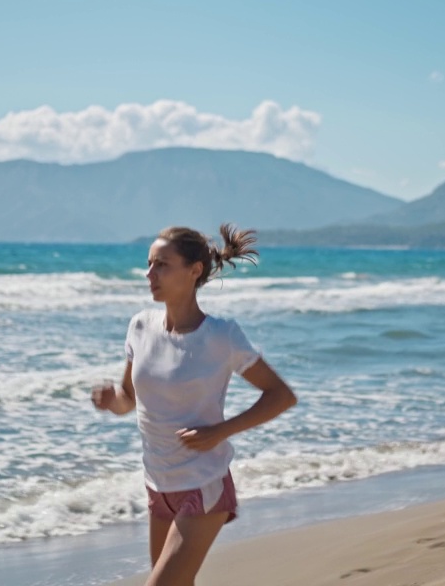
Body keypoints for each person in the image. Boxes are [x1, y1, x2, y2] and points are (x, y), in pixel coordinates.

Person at [92, 224, 297, 586]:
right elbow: (128, 401)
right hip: (158, 484)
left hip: (204, 482)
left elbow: (281, 395)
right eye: (150, 263)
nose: (149, 273)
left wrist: (221, 431)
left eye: (161, 265)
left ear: (194, 270)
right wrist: (112, 401)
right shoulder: (139, 327)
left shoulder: (220, 336)